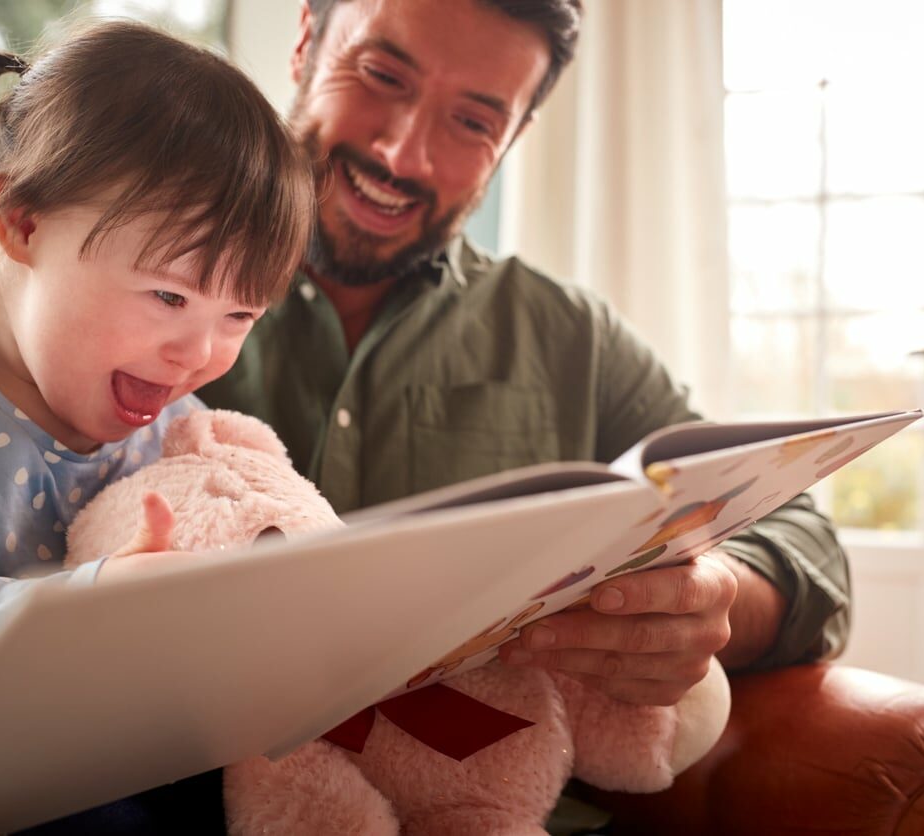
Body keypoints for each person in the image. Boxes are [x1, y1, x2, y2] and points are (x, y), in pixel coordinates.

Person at [200, 0, 849, 737]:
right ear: (306, 42)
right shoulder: (126, 262)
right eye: (381, 75)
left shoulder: (574, 340)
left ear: (512, 138)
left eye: (474, 122)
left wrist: (717, 599)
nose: (404, 155)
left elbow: (803, 537)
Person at [0, 19, 313, 833]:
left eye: (240, 314)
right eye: (168, 296)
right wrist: (78, 616)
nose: (198, 354)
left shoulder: (179, 428)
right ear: (23, 224)